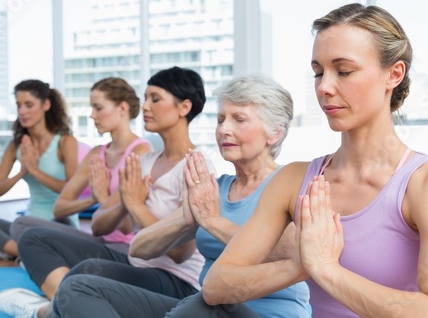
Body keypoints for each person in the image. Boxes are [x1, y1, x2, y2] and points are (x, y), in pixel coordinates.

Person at [199, 3, 428, 317]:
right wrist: (297, 267)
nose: (324, 87)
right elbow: (216, 285)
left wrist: (327, 269)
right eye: (318, 72)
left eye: (344, 71)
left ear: (393, 74)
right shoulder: (295, 180)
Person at [52, 75, 311, 318]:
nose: (224, 130)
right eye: (221, 119)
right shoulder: (214, 189)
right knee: (78, 287)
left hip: (261, 313)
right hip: (205, 307)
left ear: (275, 133)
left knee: (204, 302)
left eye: (239, 119)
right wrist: (187, 220)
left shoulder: (288, 183)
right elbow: (139, 247)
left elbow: (288, 253)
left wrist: (212, 222)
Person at [0, 66, 213, 318]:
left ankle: (45, 312)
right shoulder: (143, 162)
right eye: (144, 99)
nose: (144, 107)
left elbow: (179, 253)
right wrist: (122, 198)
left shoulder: (196, 166)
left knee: (85, 276)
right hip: (137, 264)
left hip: (178, 281)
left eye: (155, 99)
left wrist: (136, 205)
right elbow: (99, 226)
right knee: (35, 238)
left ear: (184, 107)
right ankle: (59, 307)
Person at [9, 77, 153, 254]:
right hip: (100, 241)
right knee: (22, 224)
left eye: (98, 108)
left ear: (122, 108)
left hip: (128, 247)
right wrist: (93, 198)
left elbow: (126, 226)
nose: (92, 115)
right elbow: (59, 208)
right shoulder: (97, 153)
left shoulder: (140, 152)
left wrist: (102, 197)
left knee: (35, 239)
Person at [0, 79, 78, 258]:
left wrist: (35, 171)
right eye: (18, 105)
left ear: (46, 104)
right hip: (24, 225)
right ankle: (23, 251)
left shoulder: (65, 142)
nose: (22, 111)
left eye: (28, 105)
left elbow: (72, 190)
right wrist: (22, 172)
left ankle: (22, 252)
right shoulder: (16, 146)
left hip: (61, 226)